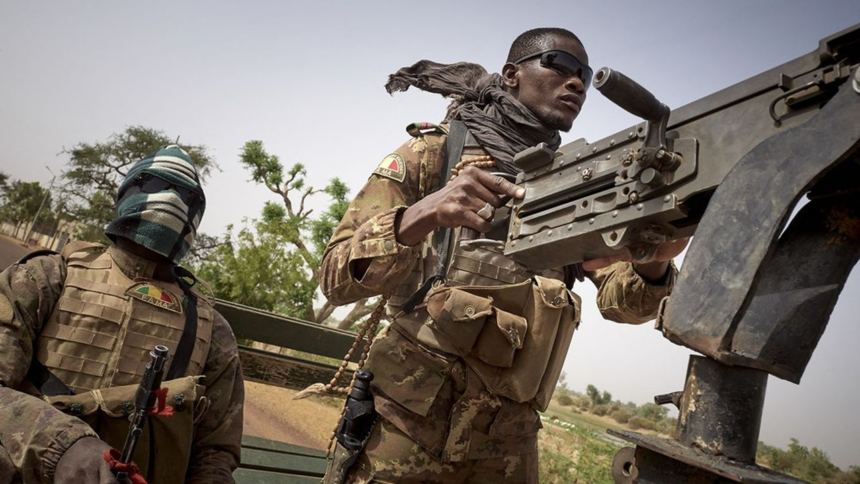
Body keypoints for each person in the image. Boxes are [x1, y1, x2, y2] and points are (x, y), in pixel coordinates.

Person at [319, 28, 687, 483]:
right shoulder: (435, 149)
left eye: (585, 76)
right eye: (559, 65)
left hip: (508, 444)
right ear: (512, 75)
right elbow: (336, 278)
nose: (576, 83)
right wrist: (420, 216)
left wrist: (653, 262)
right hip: (403, 427)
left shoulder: (575, 182)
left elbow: (621, 302)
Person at [0, 145, 244, 484]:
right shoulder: (45, 279)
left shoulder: (212, 330)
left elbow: (214, 451)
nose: (170, 200)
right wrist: (65, 448)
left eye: (184, 195)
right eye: (154, 185)